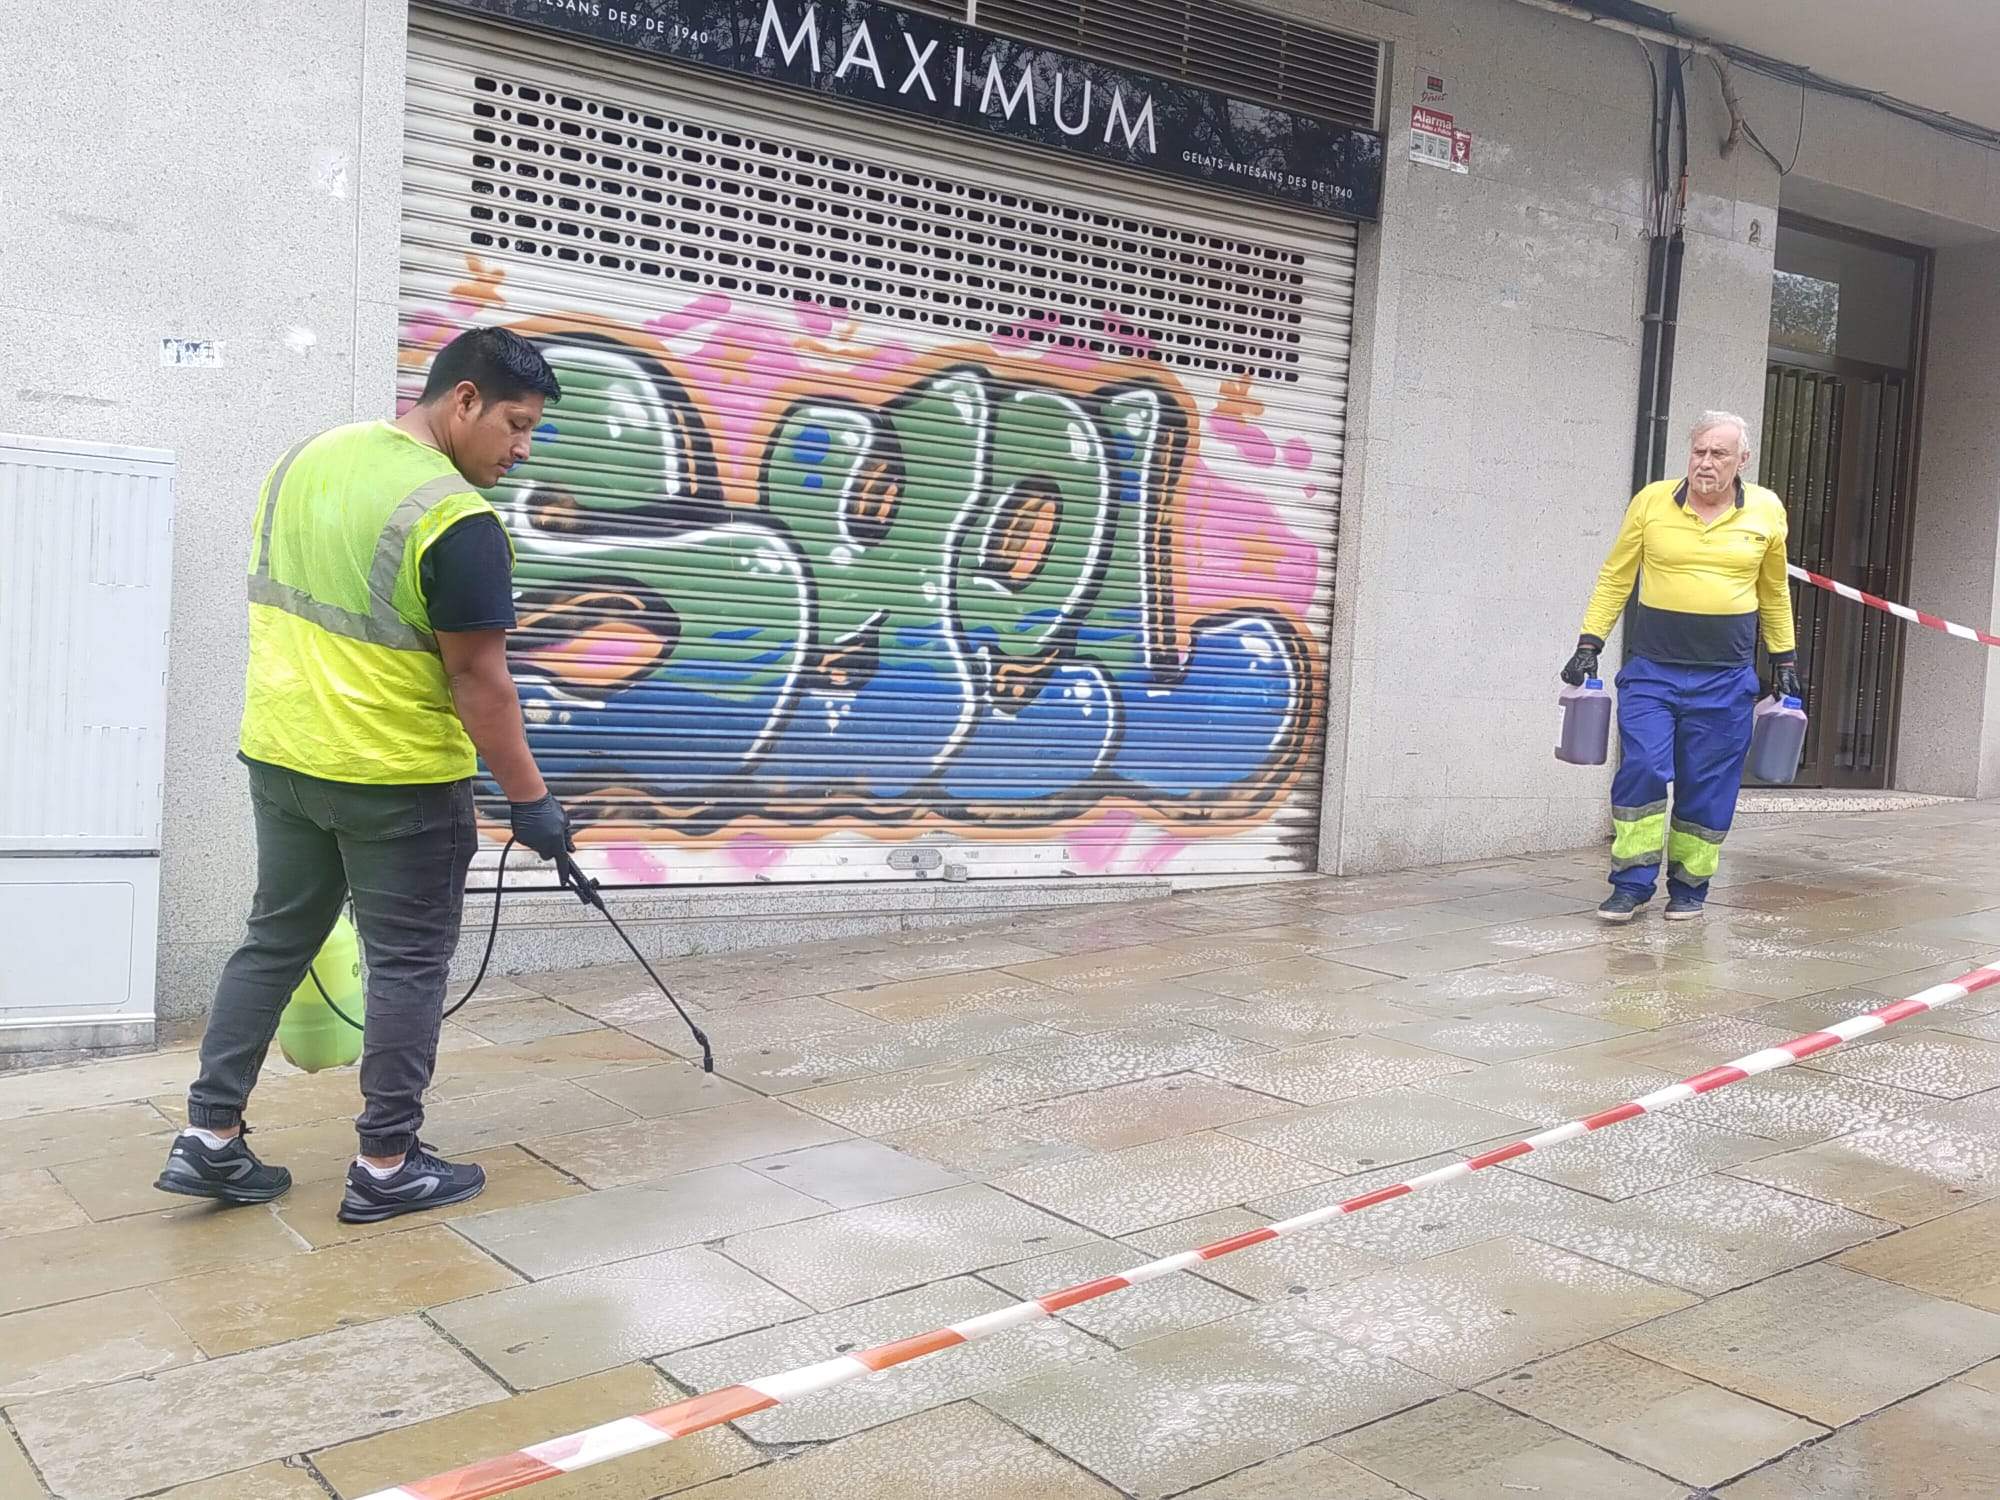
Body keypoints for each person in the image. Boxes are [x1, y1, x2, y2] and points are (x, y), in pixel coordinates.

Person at [156, 327, 576, 1223]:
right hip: (395, 779)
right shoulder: (456, 519)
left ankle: (209, 1137)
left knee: (274, 942)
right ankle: (387, 1162)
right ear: (464, 399)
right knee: (407, 967)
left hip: (283, 756)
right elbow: (481, 681)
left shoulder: (307, 457)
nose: (523, 449)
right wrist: (532, 801)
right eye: (516, 423)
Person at [1562, 411, 1802, 925]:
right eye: (1699, 452)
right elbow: (1616, 576)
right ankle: (1630, 885)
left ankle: (1690, 887)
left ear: (1742, 460)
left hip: (1726, 676)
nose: (1706, 463)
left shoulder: (1766, 510)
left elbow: (1774, 590)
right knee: (1644, 767)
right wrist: (1589, 642)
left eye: (1719, 454)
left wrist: (1784, 657)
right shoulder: (1652, 502)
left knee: (1707, 783)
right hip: (1653, 670)